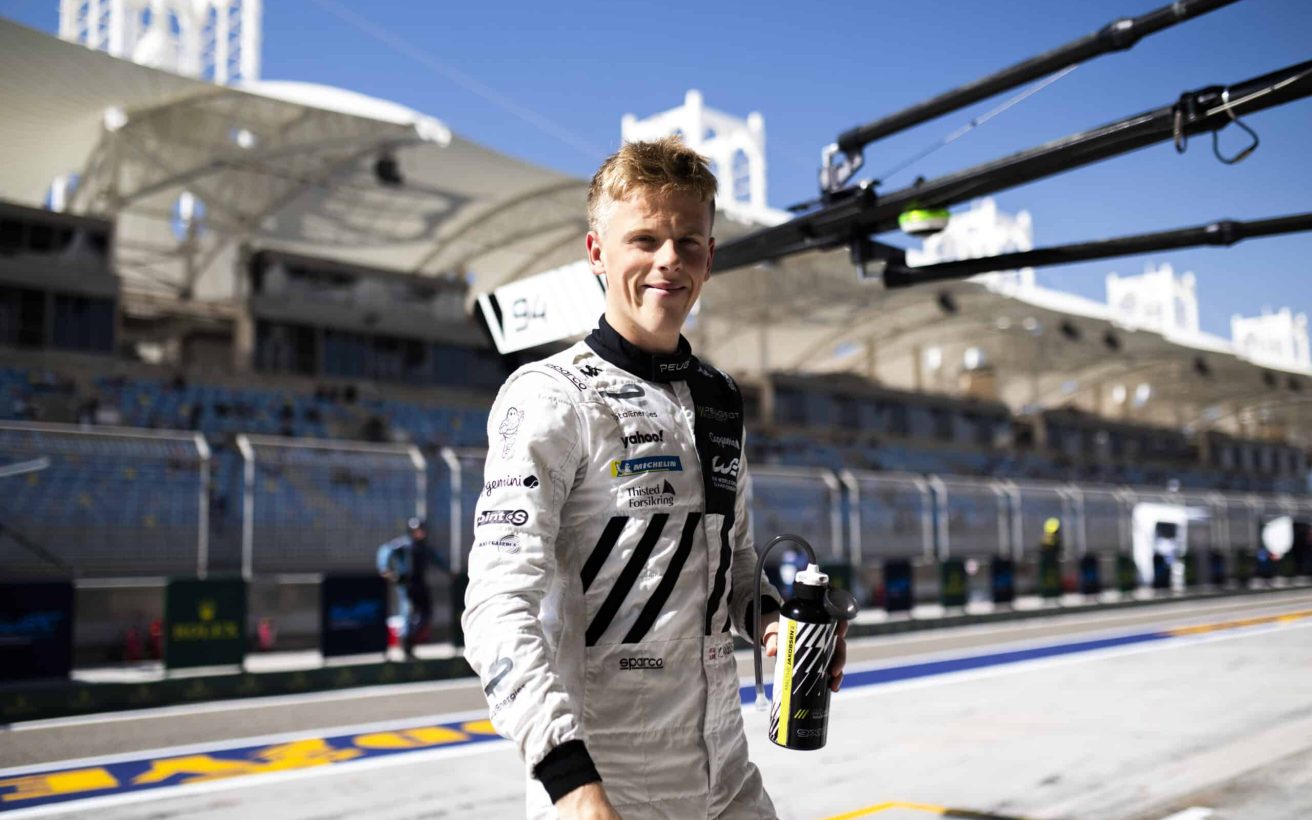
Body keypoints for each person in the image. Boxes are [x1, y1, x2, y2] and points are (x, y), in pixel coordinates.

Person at [463, 137, 848, 820]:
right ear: (596, 253)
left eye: (688, 242)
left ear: (709, 257)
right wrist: (572, 783)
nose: (668, 261)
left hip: (726, 771)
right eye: (643, 239)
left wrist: (776, 624)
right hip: (607, 779)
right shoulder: (549, 397)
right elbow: (495, 610)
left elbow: (735, 574)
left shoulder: (720, 397)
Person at [376, 517, 447, 660]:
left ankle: (410, 640)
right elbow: (385, 551)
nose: (420, 534)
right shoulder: (403, 545)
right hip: (407, 585)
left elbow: (437, 559)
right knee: (408, 613)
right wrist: (385, 569)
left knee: (426, 614)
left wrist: (449, 571)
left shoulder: (424, 548)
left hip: (420, 584)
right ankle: (406, 643)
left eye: (422, 531)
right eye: (417, 531)